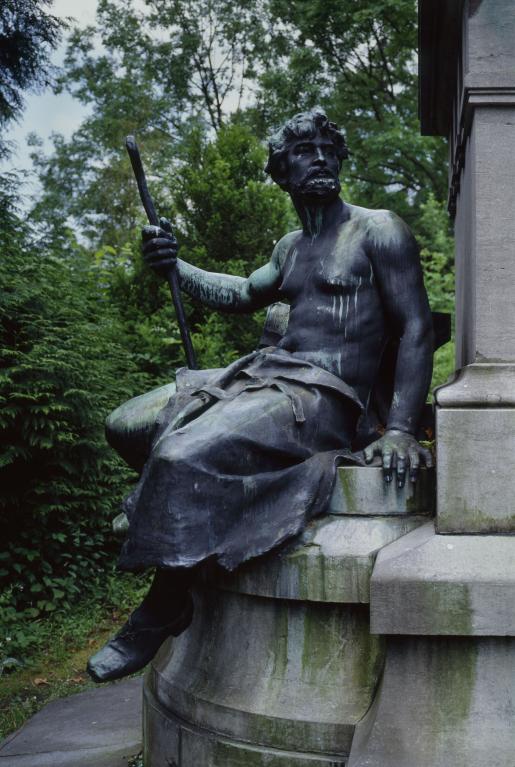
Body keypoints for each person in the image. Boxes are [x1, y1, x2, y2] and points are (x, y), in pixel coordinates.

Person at [87, 108, 434, 683]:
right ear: (281, 173)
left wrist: (398, 426)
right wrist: (177, 264)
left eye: (328, 148)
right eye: (303, 151)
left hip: (323, 398)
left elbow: (418, 327)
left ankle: (162, 603)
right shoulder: (292, 246)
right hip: (264, 374)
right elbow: (243, 292)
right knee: (127, 425)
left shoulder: (378, 230)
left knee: (178, 456)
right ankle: (190, 510)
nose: (319, 157)